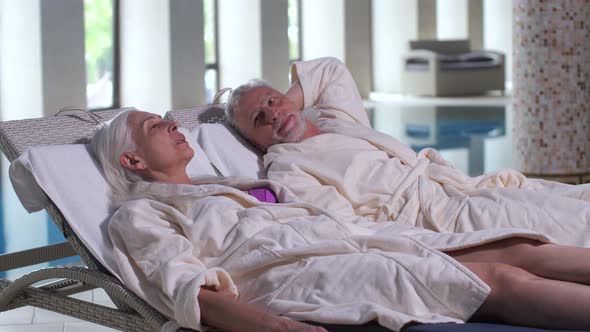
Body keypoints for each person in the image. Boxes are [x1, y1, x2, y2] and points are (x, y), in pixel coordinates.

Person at [93, 108, 590, 332]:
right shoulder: (140, 214)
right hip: (303, 273)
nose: (173, 125)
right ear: (133, 161)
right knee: (498, 280)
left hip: (352, 238)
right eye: (155, 127)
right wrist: (276, 329)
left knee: (518, 247)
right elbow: (190, 291)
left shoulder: (224, 186)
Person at [226, 56, 590, 247]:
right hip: (436, 219)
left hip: (456, 189)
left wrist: (284, 108)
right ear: (257, 142)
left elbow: (331, 70)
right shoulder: (287, 168)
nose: (273, 113)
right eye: (260, 118)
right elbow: (344, 225)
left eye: (274, 101)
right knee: (565, 225)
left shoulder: (336, 122)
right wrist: (426, 244)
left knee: (571, 199)